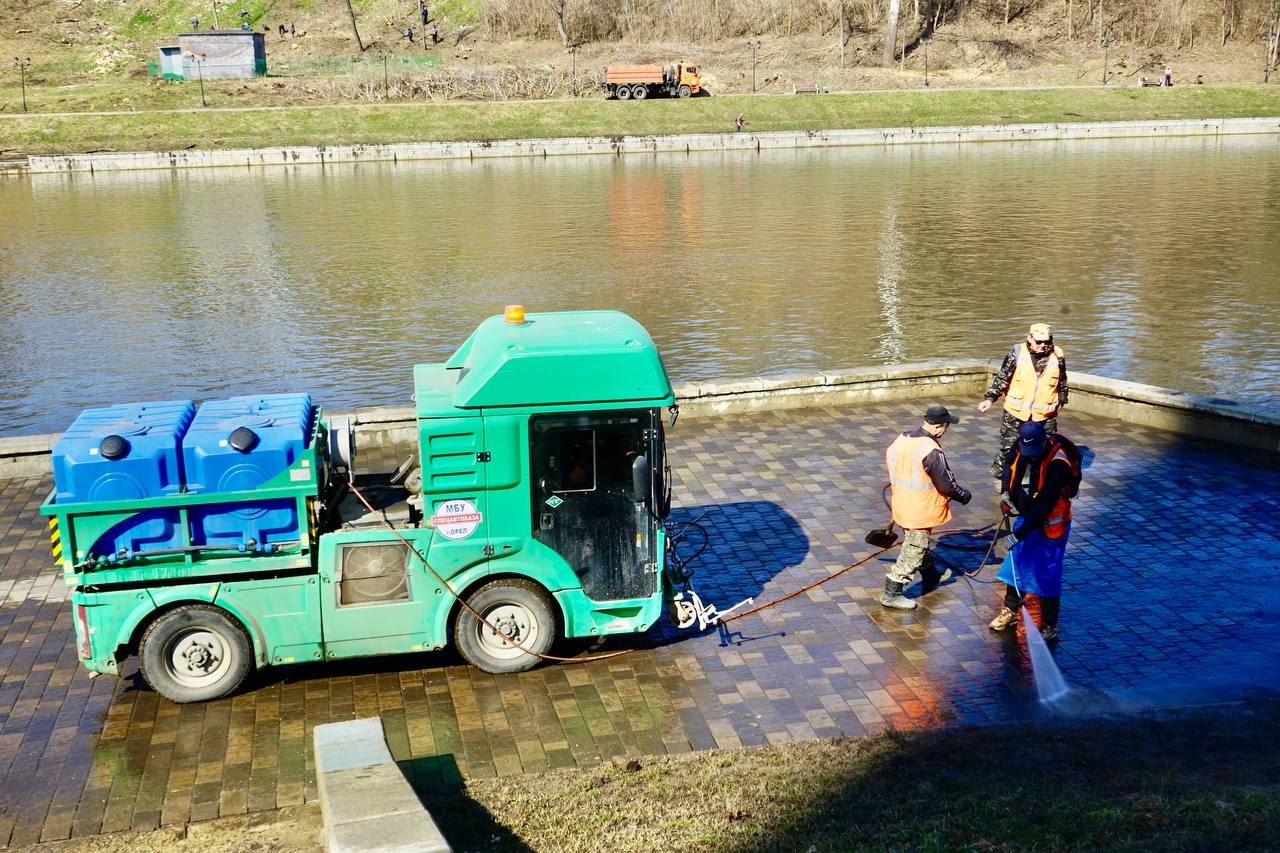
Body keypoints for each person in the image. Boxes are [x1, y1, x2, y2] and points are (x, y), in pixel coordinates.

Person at [988, 421, 1078, 640]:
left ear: (1043, 442)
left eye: (1034, 452)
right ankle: (1010, 611)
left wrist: (1019, 534)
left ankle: (1049, 625)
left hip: (1051, 524)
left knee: (1047, 573)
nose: (1031, 456)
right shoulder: (1020, 447)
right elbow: (1010, 470)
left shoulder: (1059, 464)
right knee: (1015, 566)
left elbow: (1045, 505)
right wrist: (1006, 495)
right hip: (1027, 517)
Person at [881, 405, 972, 610]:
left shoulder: (901, 439)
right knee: (915, 547)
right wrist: (963, 495)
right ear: (939, 427)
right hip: (920, 508)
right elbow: (947, 483)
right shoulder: (931, 450)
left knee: (918, 542)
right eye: (946, 427)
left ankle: (931, 574)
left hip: (901, 503)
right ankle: (892, 592)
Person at [976, 322, 1067, 490]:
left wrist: (1062, 400)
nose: (1042, 345)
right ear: (1029, 338)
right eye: (1038, 342)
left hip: (1045, 416)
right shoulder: (1017, 353)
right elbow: (1002, 378)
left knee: (1046, 450)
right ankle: (1001, 479)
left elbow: (1062, 381)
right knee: (1009, 448)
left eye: (1046, 342)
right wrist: (990, 398)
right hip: (1016, 413)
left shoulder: (1058, 355)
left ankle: (1037, 481)